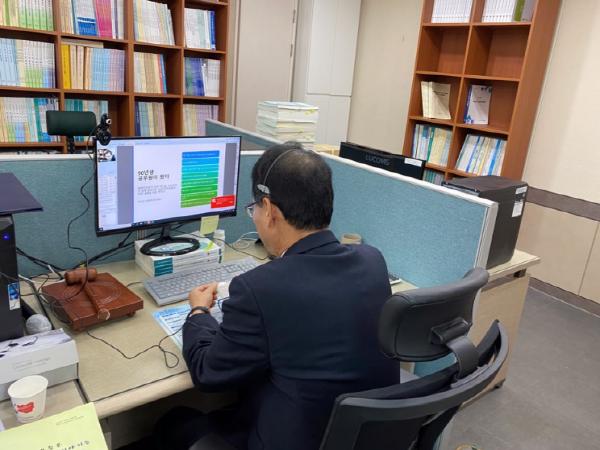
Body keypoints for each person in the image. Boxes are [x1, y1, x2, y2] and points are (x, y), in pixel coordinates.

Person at [156, 142, 398, 450]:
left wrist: (199, 312)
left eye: (254, 208)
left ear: (270, 210)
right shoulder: (372, 260)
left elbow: (208, 373)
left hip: (294, 438)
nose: (255, 217)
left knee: (175, 421)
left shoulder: (259, 288)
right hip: (359, 438)